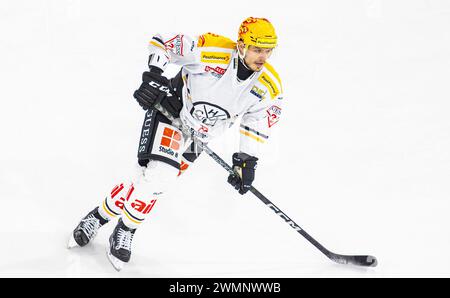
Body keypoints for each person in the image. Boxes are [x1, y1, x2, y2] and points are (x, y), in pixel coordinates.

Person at [67, 17, 284, 271]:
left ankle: (97, 216)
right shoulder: (212, 52)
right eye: (257, 49)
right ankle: (125, 230)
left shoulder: (268, 86)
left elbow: (256, 121)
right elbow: (163, 42)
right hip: (171, 113)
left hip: (199, 140)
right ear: (241, 45)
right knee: (161, 178)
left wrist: (247, 161)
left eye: (268, 51)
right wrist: (154, 75)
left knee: (149, 182)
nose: (263, 57)